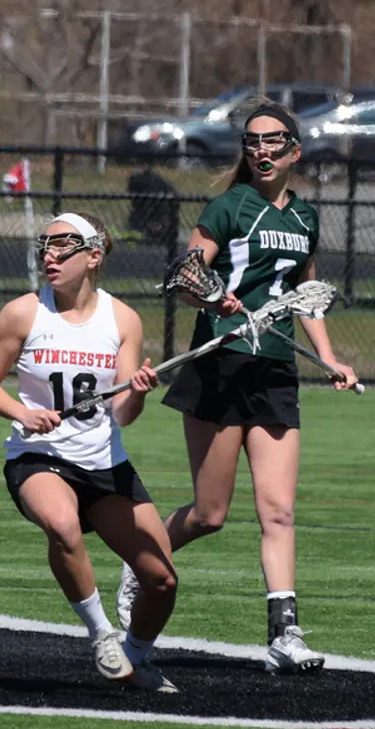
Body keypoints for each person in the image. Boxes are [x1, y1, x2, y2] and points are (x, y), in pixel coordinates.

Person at [117, 104, 359, 674]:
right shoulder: (227, 209)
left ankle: (285, 634)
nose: (263, 151)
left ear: (294, 151)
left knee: (278, 510)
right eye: (253, 142)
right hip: (221, 366)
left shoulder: (306, 219)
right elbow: (184, 275)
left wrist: (327, 358)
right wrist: (213, 294)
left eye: (274, 142)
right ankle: (142, 558)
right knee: (209, 514)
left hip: (274, 372)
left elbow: (307, 293)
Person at [0, 212, 179, 692]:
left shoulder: (122, 318)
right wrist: (20, 414)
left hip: (105, 464)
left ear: (93, 255)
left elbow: (123, 413)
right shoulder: (24, 312)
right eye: (45, 245)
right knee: (62, 525)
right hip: (38, 456)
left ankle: (136, 654)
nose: (50, 255)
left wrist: (140, 391)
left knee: (162, 580)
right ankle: (101, 633)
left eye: (63, 246)